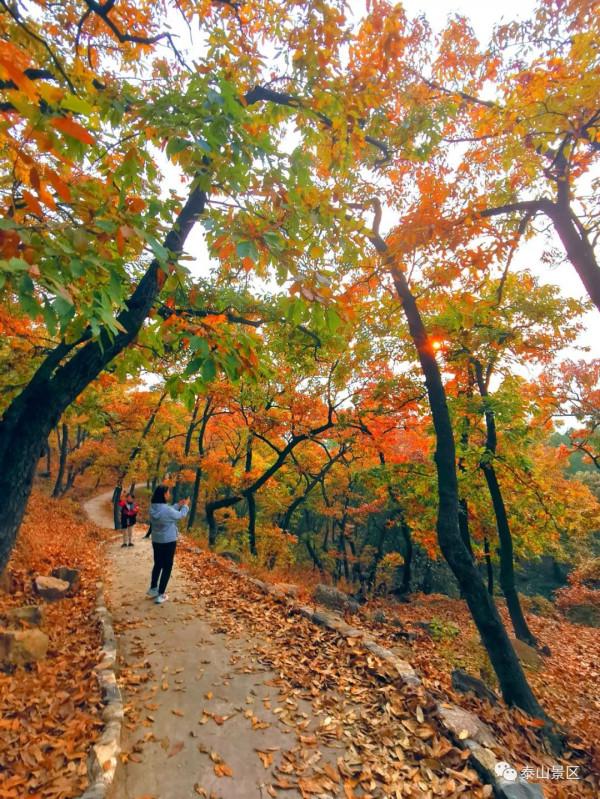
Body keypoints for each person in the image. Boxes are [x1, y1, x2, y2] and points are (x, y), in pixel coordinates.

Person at [147, 485, 190, 604]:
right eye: (168, 492)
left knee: (158, 564)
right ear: (164, 495)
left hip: (156, 540)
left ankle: (153, 589)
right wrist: (185, 506)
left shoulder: (152, 508)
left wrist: (178, 505)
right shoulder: (167, 511)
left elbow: (167, 511)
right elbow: (180, 515)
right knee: (167, 566)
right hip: (168, 541)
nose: (169, 494)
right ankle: (161, 594)